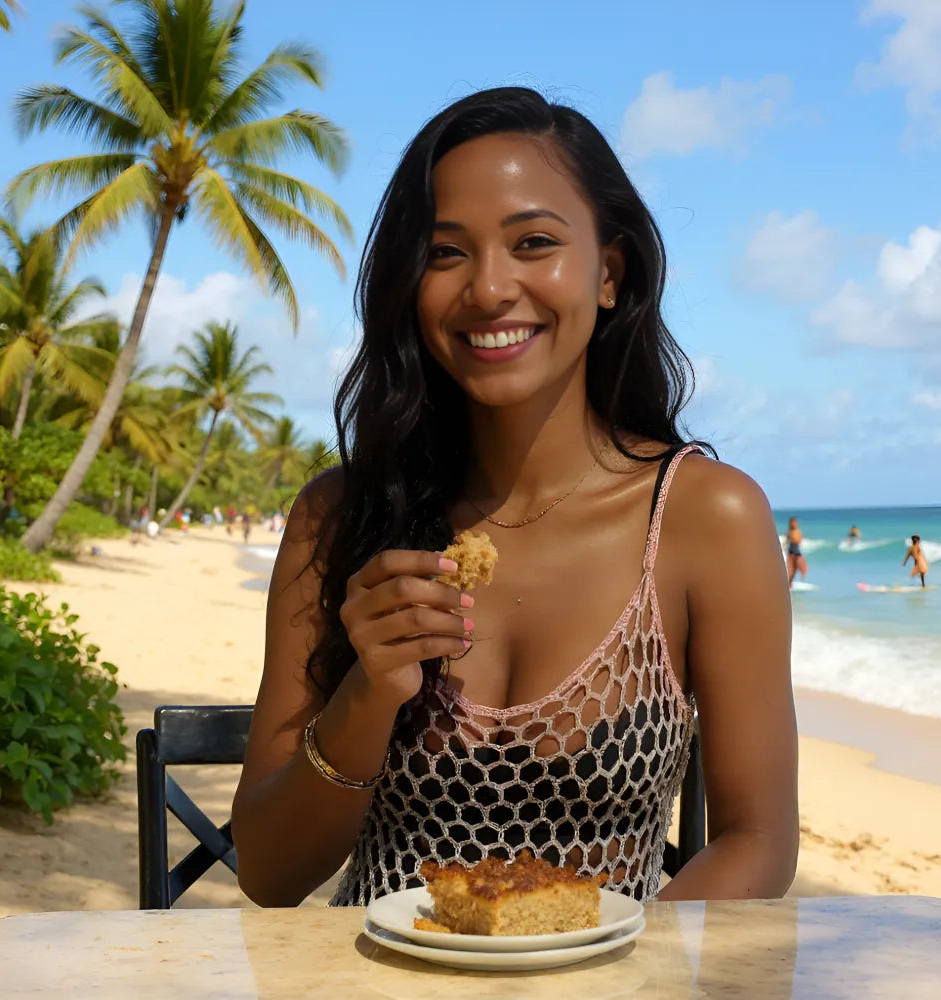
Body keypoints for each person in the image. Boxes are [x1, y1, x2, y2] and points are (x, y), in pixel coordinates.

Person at [231, 88, 798, 909]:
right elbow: (270, 875)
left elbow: (758, 842)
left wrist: (615, 970)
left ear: (609, 272)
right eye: (445, 252)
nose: (490, 289)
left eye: (534, 242)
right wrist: (369, 691)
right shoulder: (339, 518)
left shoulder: (704, 519)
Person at [786, 518, 807, 586]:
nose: (794, 524)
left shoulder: (797, 532)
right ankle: (789, 583)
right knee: (791, 570)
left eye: (795, 522)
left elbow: (798, 540)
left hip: (797, 551)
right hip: (791, 551)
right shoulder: (790, 532)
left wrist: (792, 538)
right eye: (793, 522)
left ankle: (791, 582)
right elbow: (787, 541)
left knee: (802, 568)